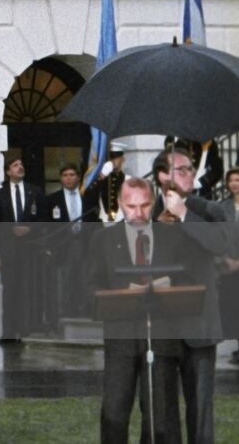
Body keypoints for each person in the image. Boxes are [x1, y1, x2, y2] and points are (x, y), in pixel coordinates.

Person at [88, 177, 182, 444]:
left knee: (161, 418)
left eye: (144, 206)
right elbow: (90, 286)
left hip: (162, 336)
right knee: (114, 414)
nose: (138, 213)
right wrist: (116, 296)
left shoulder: (171, 236)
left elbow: (186, 282)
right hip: (121, 336)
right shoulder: (103, 239)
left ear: (154, 203)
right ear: (119, 204)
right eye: (131, 206)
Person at [154, 146, 235, 444]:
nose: (191, 173)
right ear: (163, 175)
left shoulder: (208, 209)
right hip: (162, 324)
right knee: (163, 408)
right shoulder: (148, 211)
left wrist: (183, 213)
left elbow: (221, 244)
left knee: (200, 408)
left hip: (200, 324)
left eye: (191, 168)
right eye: (183, 168)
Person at [0, 151, 45, 344]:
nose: (20, 167)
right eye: (15, 165)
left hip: (29, 250)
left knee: (27, 290)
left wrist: (29, 229)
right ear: (7, 171)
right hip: (7, 251)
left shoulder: (34, 191)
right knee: (9, 291)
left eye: (21, 164)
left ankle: (26, 329)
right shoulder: (0, 195)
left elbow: (43, 221)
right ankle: (9, 332)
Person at [45, 162, 92, 319]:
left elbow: (94, 222)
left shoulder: (87, 197)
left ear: (78, 177)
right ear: (60, 179)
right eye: (65, 175)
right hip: (63, 248)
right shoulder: (52, 200)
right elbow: (49, 226)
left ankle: (85, 315)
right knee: (64, 283)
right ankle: (65, 318)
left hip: (84, 246)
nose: (68, 178)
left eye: (72, 175)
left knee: (84, 281)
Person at [219, 168, 239, 365]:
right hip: (228, 267)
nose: (235, 184)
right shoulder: (222, 207)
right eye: (231, 180)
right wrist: (227, 260)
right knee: (233, 308)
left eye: (238, 180)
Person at [84, 140, 130, 222]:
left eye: (116, 158)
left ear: (123, 159)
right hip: (104, 219)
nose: (113, 161)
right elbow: (89, 194)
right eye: (111, 158)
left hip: (122, 219)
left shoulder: (128, 179)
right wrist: (101, 175)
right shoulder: (101, 178)